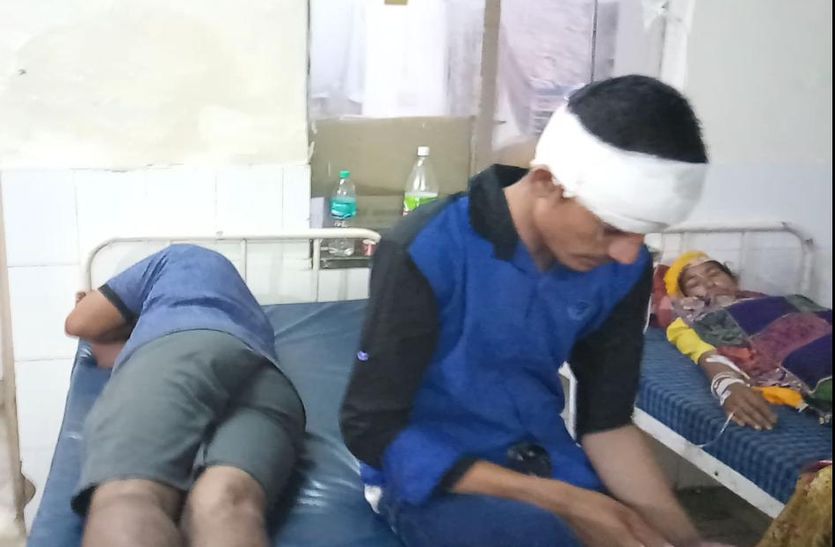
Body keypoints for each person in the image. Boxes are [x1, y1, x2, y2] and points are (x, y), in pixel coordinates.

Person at [340, 75, 720, 547]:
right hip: (435, 475)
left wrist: (686, 540)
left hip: (547, 463)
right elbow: (371, 427)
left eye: (642, 234)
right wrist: (565, 502)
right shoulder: (427, 247)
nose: (627, 254)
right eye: (611, 228)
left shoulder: (622, 268)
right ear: (545, 184)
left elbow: (607, 425)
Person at [65, 244, 305, 547]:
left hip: (184, 355)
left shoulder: (179, 258)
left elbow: (79, 322)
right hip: (267, 379)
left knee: (128, 496)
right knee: (225, 500)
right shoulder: (247, 315)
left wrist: (93, 306)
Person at [663, 251, 832, 430]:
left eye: (714, 274)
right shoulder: (692, 320)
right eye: (694, 284)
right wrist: (727, 384)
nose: (709, 284)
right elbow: (704, 353)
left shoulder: (777, 299)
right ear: (685, 296)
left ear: (733, 279)